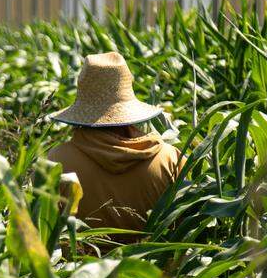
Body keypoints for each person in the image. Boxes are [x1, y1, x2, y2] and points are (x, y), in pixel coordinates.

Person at [47, 52, 181, 238]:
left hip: (79, 266)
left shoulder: (56, 163)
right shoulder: (171, 158)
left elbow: (42, 233)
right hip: (152, 266)